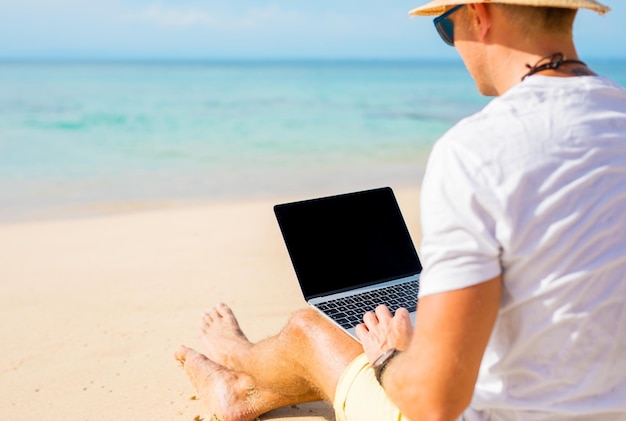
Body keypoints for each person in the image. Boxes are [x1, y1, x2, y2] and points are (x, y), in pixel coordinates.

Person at [174, 1, 626, 420]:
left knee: (309, 329)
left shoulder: (478, 150)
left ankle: (238, 367)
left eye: (445, 27)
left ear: (479, 14)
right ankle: (244, 385)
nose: (454, 45)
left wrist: (392, 358)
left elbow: (435, 401)